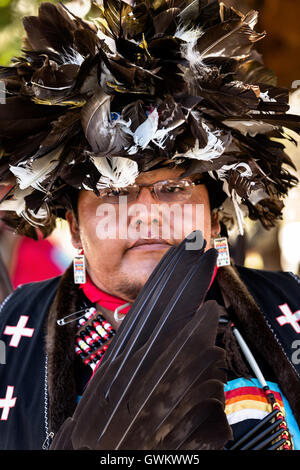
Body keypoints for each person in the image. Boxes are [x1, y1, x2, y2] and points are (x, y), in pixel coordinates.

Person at [0, 0, 300, 451]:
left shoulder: (292, 311)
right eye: (114, 193)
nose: (146, 213)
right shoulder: (11, 333)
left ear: (214, 219)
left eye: (173, 189)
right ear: (75, 228)